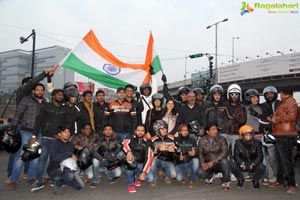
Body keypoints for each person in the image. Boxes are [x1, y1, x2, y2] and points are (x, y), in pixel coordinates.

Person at [8, 83, 46, 190]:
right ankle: (13, 179)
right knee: (21, 156)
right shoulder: (26, 100)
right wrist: (12, 128)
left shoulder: (44, 102)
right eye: (37, 90)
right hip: (26, 131)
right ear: (33, 91)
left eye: (41, 90)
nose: (40, 92)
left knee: (35, 156)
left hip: (39, 133)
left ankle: (31, 177)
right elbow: (18, 114)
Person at [31, 89, 69, 192]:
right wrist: (34, 135)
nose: (61, 96)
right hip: (46, 138)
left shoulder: (65, 108)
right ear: (53, 96)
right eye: (58, 95)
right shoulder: (46, 106)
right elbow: (38, 121)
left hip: (58, 139)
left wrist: (63, 135)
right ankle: (38, 181)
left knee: (56, 161)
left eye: (62, 95)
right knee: (42, 160)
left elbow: (66, 124)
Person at [268, 87, 298, 194]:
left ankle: (291, 184)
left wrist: (276, 119)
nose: (280, 95)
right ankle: (281, 181)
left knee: (286, 161)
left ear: (284, 94)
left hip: (286, 134)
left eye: (281, 93)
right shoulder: (284, 102)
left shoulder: (291, 103)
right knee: (280, 160)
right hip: (280, 134)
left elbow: (292, 116)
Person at [48, 126, 84, 195]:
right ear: (59, 134)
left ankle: (62, 180)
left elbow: (70, 160)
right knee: (69, 176)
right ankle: (57, 185)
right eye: (65, 132)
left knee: (80, 186)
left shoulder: (70, 144)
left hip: (68, 168)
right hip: (55, 169)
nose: (67, 134)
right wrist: (69, 154)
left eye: (68, 132)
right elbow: (55, 158)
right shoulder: (54, 143)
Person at [197, 122, 231, 192]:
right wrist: (203, 164)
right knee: (200, 172)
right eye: (213, 129)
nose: (215, 131)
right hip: (208, 163)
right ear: (207, 132)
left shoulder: (222, 139)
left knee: (225, 161)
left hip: (219, 162)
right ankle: (210, 176)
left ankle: (225, 181)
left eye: (216, 129)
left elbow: (224, 152)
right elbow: (200, 154)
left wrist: (213, 162)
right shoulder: (202, 140)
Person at [230, 125, 265, 189]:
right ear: (242, 135)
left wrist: (253, 164)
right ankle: (240, 179)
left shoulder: (257, 143)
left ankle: (255, 179)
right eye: (246, 135)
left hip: (253, 163)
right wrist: (241, 163)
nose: (248, 136)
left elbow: (260, 156)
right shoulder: (238, 142)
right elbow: (236, 155)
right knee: (232, 165)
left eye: (250, 134)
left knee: (262, 167)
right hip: (242, 163)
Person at [123, 124, 154, 193]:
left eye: (142, 131)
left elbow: (149, 158)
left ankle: (137, 176)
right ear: (135, 131)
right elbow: (125, 143)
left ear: (145, 132)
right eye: (138, 130)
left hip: (141, 163)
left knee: (149, 178)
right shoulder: (130, 136)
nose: (140, 132)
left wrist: (144, 172)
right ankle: (130, 184)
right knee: (128, 162)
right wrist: (128, 151)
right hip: (131, 160)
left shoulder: (148, 142)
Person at [260, 86, 279, 184]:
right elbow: (262, 117)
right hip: (269, 134)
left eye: (271, 94)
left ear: (275, 94)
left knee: (283, 157)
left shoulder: (281, 104)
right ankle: (275, 176)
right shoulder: (263, 106)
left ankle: (286, 177)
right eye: (268, 94)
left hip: (281, 133)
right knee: (271, 157)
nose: (270, 95)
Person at [150, 120, 177, 186]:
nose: (165, 130)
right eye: (162, 129)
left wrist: (175, 151)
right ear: (157, 130)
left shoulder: (172, 138)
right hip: (157, 160)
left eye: (165, 128)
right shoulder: (153, 139)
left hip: (169, 161)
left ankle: (166, 175)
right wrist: (158, 150)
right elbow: (150, 153)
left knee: (174, 175)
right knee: (152, 162)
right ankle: (154, 178)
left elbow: (179, 150)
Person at [174, 124, 199, 188]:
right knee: (179, 178)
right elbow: (173, 154)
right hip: (180, 164)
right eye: (183, 130)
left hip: (190, 161)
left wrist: (194, 153)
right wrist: (178, 157)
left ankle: (192, 180)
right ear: (179, 132)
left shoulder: (192, 140)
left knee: (196, 160)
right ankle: (186, 175)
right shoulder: (175, 140)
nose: (185, 132)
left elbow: (197, 152)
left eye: (187, 130)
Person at [226, 84, 247, 153]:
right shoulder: (224, 106)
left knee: (236, 153)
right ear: (228, 95)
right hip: (225, 133)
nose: (234, 96)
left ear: (239, 95)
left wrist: (234, 116)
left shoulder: (242, 107)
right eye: (232, 94)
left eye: (236, 94)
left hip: (236, 134)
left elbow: (243, 121)